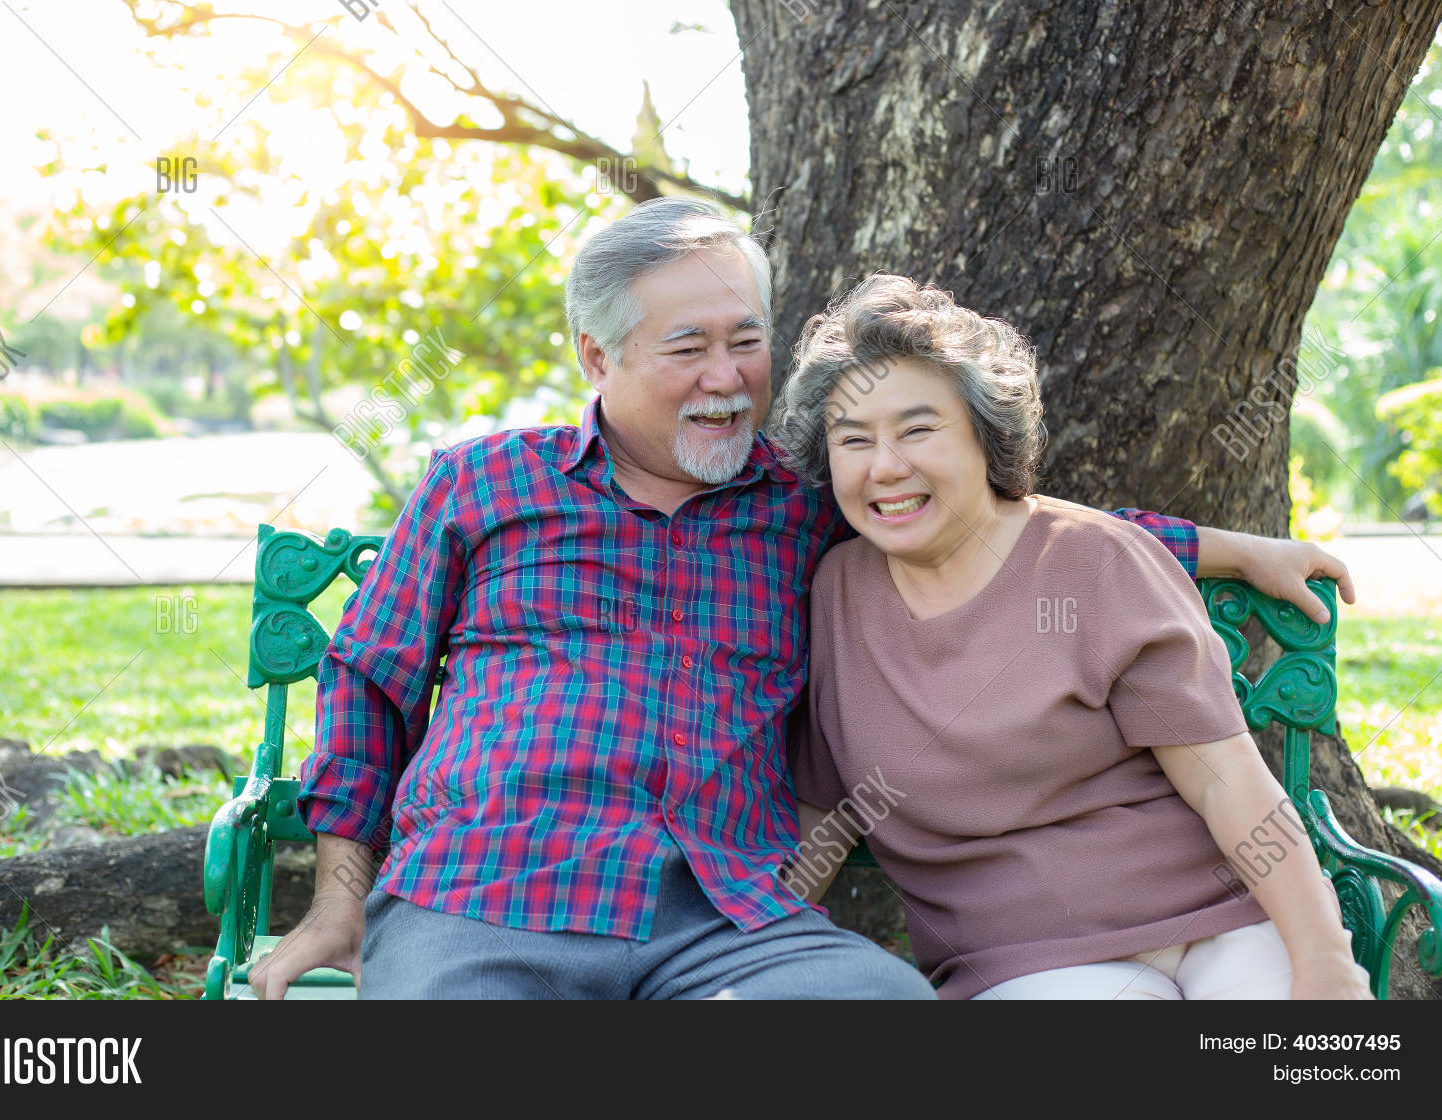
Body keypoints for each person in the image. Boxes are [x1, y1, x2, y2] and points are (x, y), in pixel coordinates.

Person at [250, 199, 1356, 999]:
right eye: (688, 348)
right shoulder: (483, 485)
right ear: (595, 354)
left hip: (730, 915)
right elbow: (369, 680)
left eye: (747, 342)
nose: (728, 378)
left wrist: (1221, 546)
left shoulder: (802, 505)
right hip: (492, 894)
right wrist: (339, 898)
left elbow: (986, 522)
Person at [768, 273, 1372, 1000]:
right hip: (1032, 966)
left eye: (918, 429)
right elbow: (822, 822)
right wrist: (749, 951)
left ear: (983, 436)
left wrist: (1324, 962)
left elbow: (1232, 787)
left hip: (1219, 922)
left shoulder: (1093, 558)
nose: (886, 466)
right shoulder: (833, 597)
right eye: (854, 439)